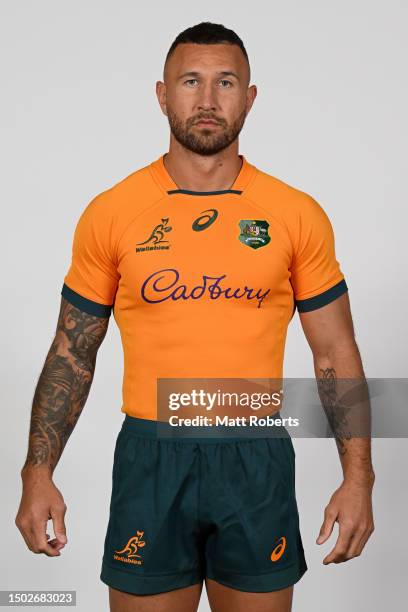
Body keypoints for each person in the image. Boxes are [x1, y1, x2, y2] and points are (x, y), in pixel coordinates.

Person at [15, 21, 375, 612]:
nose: (207, 100)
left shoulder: (295, 214)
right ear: (162, 94)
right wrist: (37, 471)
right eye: (190, 81)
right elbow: (72, 351)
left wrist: (359, 478)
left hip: (254, 452)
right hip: (150, 455)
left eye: (225, 82)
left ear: (250, 97)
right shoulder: (112, 212)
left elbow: (337, 352)